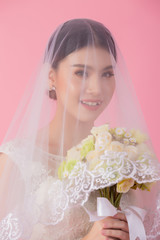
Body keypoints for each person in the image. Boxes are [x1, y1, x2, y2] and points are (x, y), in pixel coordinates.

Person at [0, 18, 160, 240]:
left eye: (107, 74)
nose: (96, 88)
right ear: (50, 77)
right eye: (81, 73)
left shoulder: (126, 156)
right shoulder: (15, 162)